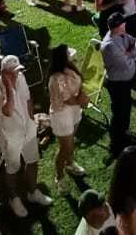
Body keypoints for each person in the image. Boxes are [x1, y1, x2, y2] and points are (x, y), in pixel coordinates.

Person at [0, 54, 51, 217]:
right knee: (12, 168)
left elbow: (28, 98)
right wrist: (9, 87)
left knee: (32, 160)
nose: (17, 75)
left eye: (18, 71)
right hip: (11, 137)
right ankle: (14, 198)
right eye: (12, 73)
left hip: (28, 129)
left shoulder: (21, 77)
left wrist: (31, 119)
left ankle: (32, 191)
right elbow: (7, 111)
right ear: (3, 73)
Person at [46, 45, 89, 196]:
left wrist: (82, 94)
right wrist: (82, 100)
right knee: (65, 148)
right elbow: (68, 99)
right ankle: (59, 176)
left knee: (71, 143)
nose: (71, 54)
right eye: (67, 53)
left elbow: (79, 83)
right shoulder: (56, 78)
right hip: (62, 115)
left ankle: (70, 165)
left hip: (74, 111)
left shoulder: (70, 68)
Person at [101, 12, 136, 153]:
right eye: (123, 24)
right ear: (116, 27)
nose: (126, 25)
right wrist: (132, 53)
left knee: (126, 109)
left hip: (125, 82)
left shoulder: (122, 35)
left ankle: (124, 135)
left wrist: (130, 53)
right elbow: (124, 64)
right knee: (118, 113)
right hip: (117, 84)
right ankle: (116, 143)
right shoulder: (110, 45)